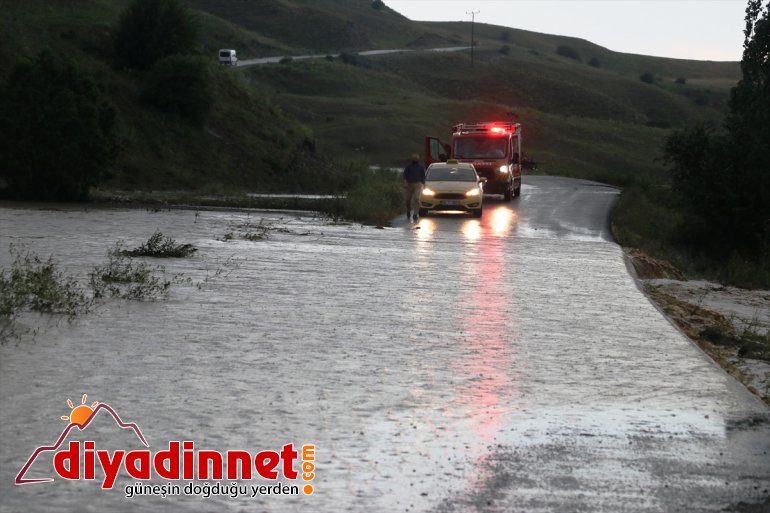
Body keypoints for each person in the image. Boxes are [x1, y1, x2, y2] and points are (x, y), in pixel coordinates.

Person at [403, 153, 425, 221]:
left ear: (418, 159)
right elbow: (405, 175)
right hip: (409, 184)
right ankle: (408, 210)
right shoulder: (408, 166)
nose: (415, 159)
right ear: (412, 159)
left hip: (418, 184)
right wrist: (405, 182)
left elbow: (423, 176)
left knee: (417, 198)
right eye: (414, 158)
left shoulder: (421, 167)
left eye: (416, 158)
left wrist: (423, 185)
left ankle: (415, 213)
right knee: (408, 200)